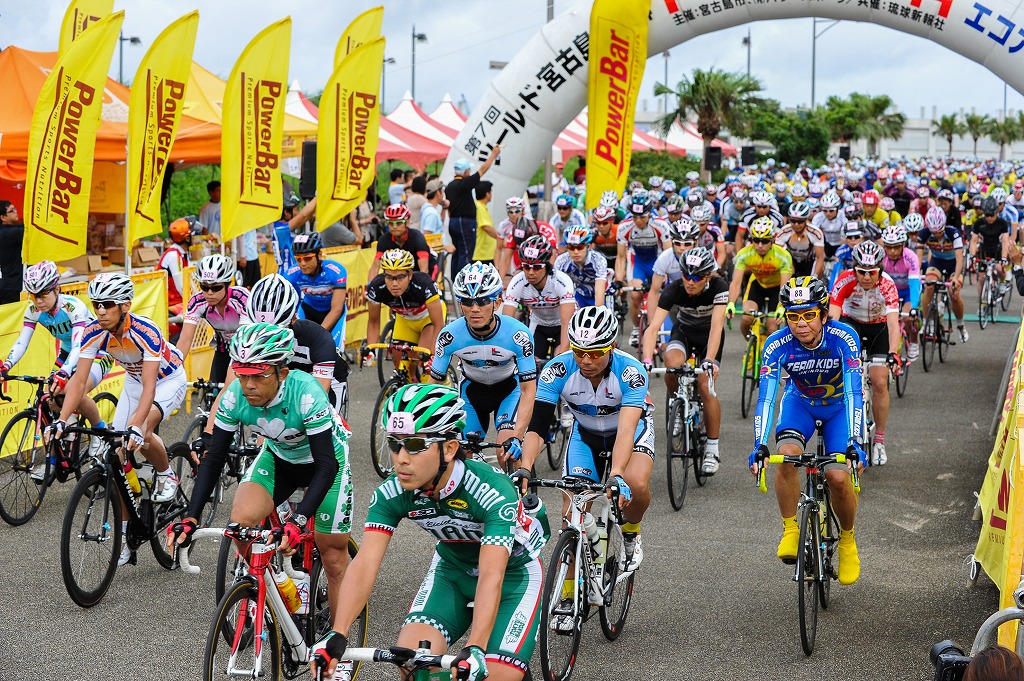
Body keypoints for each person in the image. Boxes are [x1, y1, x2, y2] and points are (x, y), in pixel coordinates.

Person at [311, 383, 548, 681]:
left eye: (414, 445)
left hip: (513, 577)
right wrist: (338, 632)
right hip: (451, 571)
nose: (400, 458)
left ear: (449, 448)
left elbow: (492, 575)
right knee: (412, 664)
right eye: (395, 443)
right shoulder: (391, 493)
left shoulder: (491, 491)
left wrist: (475, 648)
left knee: (490, 676)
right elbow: (365, 563)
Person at [170, 322, 354, 642]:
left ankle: (335, 647)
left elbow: (327, 465)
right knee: (241, 522)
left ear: (282, 372)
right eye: (242, 374)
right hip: (280, 460)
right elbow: (214, 459)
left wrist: (298, 519)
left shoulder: (306, 393)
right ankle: (275, 585)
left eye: (259, 375)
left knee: (333, 556)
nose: (249, 385)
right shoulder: (235, 395)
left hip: (325, 466)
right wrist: (191, 516)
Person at [50, 272, 186, 566]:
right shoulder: (93, 331)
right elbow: (79, 380)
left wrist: (137, 426)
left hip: (167, 379)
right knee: (117, 456)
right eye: (96, 304)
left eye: (107, 304)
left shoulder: (145, 330)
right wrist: (61, 420)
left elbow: (152, 385)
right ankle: (126, 535)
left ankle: (166, 473)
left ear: (124, 305)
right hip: (134, 383)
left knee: (143, 430)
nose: (100, 310)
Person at [515, 306, 652, 573]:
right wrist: (526, 466)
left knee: (635, 485)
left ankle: (631, 533)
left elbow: (625, 432)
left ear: (612, 346)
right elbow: (538, 427)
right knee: (571, 516)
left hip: (629, 434)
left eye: (595, 353)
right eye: (579, 351)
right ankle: (568, 598)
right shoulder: (557, 370)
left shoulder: (631, 372)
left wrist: (617, 474)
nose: (585, 360)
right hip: (585, 435)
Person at [748, 276, 865, 585]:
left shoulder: (844, 338)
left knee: (838, 477)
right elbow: (767, 396)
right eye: (793, 316)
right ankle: (790, 528)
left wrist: (855, 441)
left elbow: (855, 393)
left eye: (809, 315)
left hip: (840, 408)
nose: (801, 324)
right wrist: (759, 444)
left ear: (824, 314)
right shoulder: (777, 344)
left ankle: (848, 540)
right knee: (786, 457)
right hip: (800, 404)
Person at [1, 261, 111, 470]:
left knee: (71, 390)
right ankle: (53, 460)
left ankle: (100, 432)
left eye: (43, 294)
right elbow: (22, 341)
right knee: (49, 399)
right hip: (69, 353)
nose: (38, 301)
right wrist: (6, 366)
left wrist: (64, 372)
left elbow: (80, 344)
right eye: (34, 296)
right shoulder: (34, 310)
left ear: (57, 289)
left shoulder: (73, 307)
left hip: (96, 351)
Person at [430, 262, 537, 465]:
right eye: (468, 302)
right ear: (460, 304)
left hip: (509, 391)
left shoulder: (518, 334)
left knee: (506, 454)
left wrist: (518, 435)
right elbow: (433, 385)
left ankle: (517, 495)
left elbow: (528, 390)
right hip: (472, 392)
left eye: (483, 301)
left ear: (497, 302)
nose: (475, 309)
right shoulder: (449, 336)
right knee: (462, 457)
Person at [642, 247, 726, 474]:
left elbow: (718, 326)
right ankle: (677, 405)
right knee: (672, 364)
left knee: (704, 386)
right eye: (686, 275)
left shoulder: (719, 288)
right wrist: (648, 360)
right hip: (685, 332)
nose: (690, 281)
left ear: (708, 276)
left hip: (709, 335)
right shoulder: (674, 289)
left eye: (697, 277)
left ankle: (712, 447)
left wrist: (710, 360)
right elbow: (652, 330)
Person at [829, 241, 902, 466]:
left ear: (880, 269)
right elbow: (832, 318)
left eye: (872, 272)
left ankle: (879, 440)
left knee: (880, 382)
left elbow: (892, 325)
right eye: (862, 272)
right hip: (852, 325)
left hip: (878, 328)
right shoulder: (845, 280)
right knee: (844, 376)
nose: (867, 277)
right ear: (855, 269)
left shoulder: (888, 285)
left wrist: (893, 353)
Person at [245, 273, 349, 415]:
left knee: (320, 420)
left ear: (293, 318)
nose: (267, 337)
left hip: (325, 377)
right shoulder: (246, 341)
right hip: (283, 374)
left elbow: (318, 398)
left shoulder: (317, 338)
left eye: (276, 330)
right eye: (260, 329)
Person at [175, 254, 249, 385]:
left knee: (233, 390)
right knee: (213, 391)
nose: (209, 293)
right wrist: (173, 371)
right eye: (204, 287)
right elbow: (185, 339)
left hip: (246, 346)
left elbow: (242, 341)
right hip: (223, 347)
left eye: (216, 287)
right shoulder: (197, 301)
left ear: (227, 285)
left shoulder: (241, 298)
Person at [365, 249, 446, 365]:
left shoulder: (424, 284)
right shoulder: (377, 287)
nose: (394, 284)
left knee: (424, 360)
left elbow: (438, 325)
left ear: (410, 275)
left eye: (400, 277)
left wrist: (433, 355)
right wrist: (371, 350)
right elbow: (373, 322)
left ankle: (443, 381)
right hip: (405, 320)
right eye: (389, 277)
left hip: (428, 320)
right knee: (401, 364)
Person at [502, 236, 576, 360]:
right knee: (529, 360)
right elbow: (506, 323)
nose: (531, 272)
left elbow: (566, 323)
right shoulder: (518, 282)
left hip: (562, 326)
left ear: (546, 266)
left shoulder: (561, 281)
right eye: (526, 267)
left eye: (536, 267)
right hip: (539, 324)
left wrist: (562, 351)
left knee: (562, 358)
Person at [615, 191, 670, 347]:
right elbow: (620, 257)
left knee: (658, 295)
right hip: (638, 262)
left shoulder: (661, 225)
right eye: (635, 216)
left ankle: (656, 329)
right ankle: (636, 328)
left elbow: (668, 253)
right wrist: (619, 279)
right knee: (635, 294)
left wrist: (666, 275)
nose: (638, 221)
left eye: (642, 217)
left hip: (657, 262)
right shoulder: (625, 227)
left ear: (650, 214)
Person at [727, 217, 794, 337]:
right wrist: (731, 302)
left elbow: (785, 286)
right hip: (757, 285)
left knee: (772, 327)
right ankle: (751, 347)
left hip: (776, 288)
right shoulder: (744, 254)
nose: (759, 245)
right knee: (746, 318)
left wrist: (782, 307)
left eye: (764, 241)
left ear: (772, 240)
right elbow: (736, 282)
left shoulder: (783, 256)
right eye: (756, 240)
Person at [286, 232, 348, 349]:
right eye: (298, 259)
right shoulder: (292, 273)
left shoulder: (336, 271)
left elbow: (337, 309)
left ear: (319, 255)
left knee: (334, 351)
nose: (302, 264)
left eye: (308, 258)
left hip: (332, 312)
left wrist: (318, 334)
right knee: (299, 349)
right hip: (308, 310)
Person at [917, 204, 968, 343]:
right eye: (933, 231)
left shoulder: (953, 233)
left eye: (939, 231)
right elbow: (918, 257)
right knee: (928, 286)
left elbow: (959, 259)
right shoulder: (924, 233)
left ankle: (960, 324)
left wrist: (956, 278)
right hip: (937, 262)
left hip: (953, 264)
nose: (936, 234)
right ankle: (930, 323)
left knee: (954, 292)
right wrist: (916, 275)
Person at [446, 148, 501, 276]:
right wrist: (493, 154)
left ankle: (455, 280)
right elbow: (482, 170)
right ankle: (464, 282)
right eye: (468, 171)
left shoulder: (450, 186)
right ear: (465, 172)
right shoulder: (464, 183)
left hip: (453, 221)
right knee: (466, 253)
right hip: (464, 222)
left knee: (457, 252)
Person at [880, 223, 922, 361]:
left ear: (903, 245)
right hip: (890, 291)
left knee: (907, 316)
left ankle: (914, 341)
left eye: (896, 247)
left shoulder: (911, 257)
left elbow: (915, 284)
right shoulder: (880, 257)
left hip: (908, 291)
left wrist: (914, 307)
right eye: (888, 247)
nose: (892, 251)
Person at [159, 215, 199, 342]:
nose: (194, 237)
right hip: (171, 304)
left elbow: (188, 281)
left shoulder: (182, 253)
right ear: (187, 238)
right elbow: (181, 286)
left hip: (177, 301)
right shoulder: (173, 256)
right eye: (192, 235)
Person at [371, 204, 436, 280]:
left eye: (399, 223)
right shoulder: (384, 240)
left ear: (407, 222)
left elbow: (424, 270)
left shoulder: (417, 238)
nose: (394, 227)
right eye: (391, 223)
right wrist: (369, 288)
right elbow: (375, 268)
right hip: (403, 273)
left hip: (425, 269)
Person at [555, 224, 608, 309]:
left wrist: (598, 313)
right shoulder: (561, 261)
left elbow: (599, 292)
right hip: (578, 294)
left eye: (580, 247)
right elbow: (557, 289)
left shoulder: (598, 260)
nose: (575, 252)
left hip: (597, 293)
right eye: (571, 247)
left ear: (588, 246)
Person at [970, 196, 1010, 299]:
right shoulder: (979, 223)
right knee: (981, 278)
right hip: (984, 251)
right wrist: (973, 255)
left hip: (998, 250)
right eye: (987, 215)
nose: (989, 218)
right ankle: (981, 303)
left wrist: (1004, 257)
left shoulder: (1002, 224)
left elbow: (1005, 241)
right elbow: (973, 241)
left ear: (997, 212)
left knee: (999, 268)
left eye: (991, 215)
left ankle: (1002, 282)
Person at [269, 193, 318, 275]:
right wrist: (319, 195)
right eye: (296, 210)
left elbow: (306, 216)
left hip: (293, 273)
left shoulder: (286, 227)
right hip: (287, 274)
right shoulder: (280, 229)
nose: (298, 212)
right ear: (286, 213)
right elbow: (303, 216)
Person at [776, 201, 825, 278]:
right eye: (793, 221)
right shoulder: (784, 231)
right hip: (791, 261)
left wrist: (814, 276)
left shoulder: (815, 233)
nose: (796, 225)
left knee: (821, 270)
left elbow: (819, 257)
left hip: (809, 261)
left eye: (800, 221)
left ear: (806, 220)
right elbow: (777, 253)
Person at [0, 200, 24, 304]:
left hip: (11, 284)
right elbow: (27, 230)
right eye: (12, 210)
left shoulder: (10, 230)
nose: (16, 211)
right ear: (3, 217)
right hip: (11, 288)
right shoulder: (6, 234)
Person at [472, 181, 499, 264]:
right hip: (482, 254)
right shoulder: (479, 207)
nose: (491, 194)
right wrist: (500, 239)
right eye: (490, 192)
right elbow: (486, 227)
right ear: (487, 194)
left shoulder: (482, 207)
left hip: (487, 254)